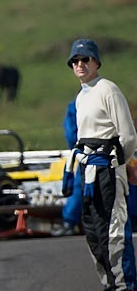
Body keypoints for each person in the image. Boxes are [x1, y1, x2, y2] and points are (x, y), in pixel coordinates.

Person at [63, 39, 137, 291]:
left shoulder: (108, 89)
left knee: (114, 232)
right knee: (94, 234)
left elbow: (128, 135)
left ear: (96, 62)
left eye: (85, 60)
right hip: (88, 171)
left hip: (108, 168)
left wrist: (119, 164)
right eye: (75, 61)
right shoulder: (81, 96)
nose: (80, 65)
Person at [53, 100, 83, 236]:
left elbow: (71, 134)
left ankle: (70, 222)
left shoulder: (77, 104)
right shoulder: (109, 98)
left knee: (80, 185)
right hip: (109, 152)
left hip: (87, 153)